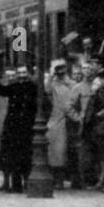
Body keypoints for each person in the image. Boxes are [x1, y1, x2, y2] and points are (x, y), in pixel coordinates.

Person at [0, 61, 37, 193]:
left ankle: (27, 182)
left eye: (24, 73)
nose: (22, 76)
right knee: (14, 156)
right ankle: (16, 184)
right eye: (19, 73)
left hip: (28, 126)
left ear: (29, 74)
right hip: (13, 126)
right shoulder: (13, 87)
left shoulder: (34, 87)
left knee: (26, 156)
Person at [65, 60, 98, 188]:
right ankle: (84, 179)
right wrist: (79, 118)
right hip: (85, 125)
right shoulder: (77, 88)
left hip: (97, 123)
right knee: (84, 153)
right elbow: (69, 107)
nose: (88, 71)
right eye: (85, 69)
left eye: (90, 69)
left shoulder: (97, 86)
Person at [44, 59, 74, 189]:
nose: (60, 73)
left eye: (62, 69)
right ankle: (56, 178)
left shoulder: (71, 84)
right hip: (56, 118)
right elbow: (47, 89)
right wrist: (51, 75)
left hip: (70, 118)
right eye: (58, 70)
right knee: (56, 150)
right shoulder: (53, 84)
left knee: (67, 150)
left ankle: (67, 178)